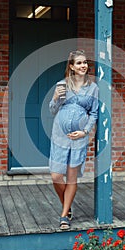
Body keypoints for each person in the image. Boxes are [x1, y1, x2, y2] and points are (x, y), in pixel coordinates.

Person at [49, 50, 99, 230]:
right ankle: (67, 206)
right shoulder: (62, 85)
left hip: (79, 139)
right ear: (71, 66)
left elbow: (93, 113)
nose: (83, 65)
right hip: (59, 136)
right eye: (78, 63)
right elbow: (53, 110)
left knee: (71, 178)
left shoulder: (93, 88)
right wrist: (55, 97)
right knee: (56, 176)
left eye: (84, 62)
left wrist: (85, 132)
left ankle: (64, 216)